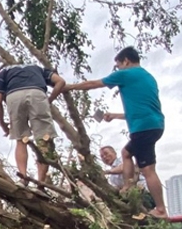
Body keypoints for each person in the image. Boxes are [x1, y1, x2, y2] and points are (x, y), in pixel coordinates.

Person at [64, 47, 168, 218]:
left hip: (142, 128)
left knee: (148, 169)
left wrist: (68, 87)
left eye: (118, 65)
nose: (118, 68)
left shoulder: (126, 74)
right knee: (127, 152)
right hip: (154, 124)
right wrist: (114, 116)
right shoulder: (148, 77)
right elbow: (139, 111)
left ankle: (160, 209)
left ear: (126, 61)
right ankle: (128, 187)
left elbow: (93, 84)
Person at [0, 64, 66, 185]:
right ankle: (41, 184)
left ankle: (23, 178)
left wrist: (3, 125)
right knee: (44, 139)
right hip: (37, 93)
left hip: (14, 96)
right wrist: (49, 101)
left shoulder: (4, 72)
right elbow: (60, 82)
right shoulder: (38, 68)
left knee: (20, 139)